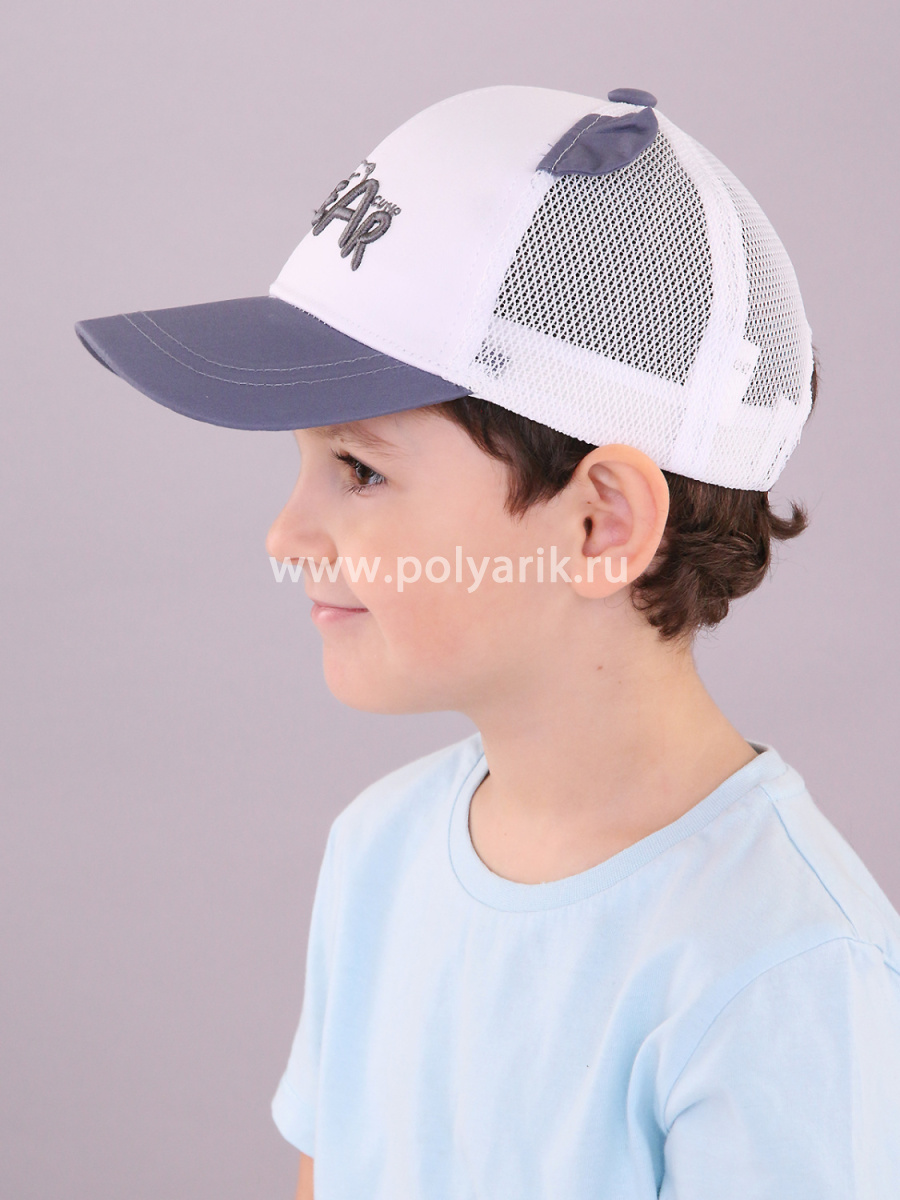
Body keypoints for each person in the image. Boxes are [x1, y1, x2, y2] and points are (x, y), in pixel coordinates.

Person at [75, 85, 900, 1199]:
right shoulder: (380, 852)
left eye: (359, 469)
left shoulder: (782, 971)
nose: (285, 534)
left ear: (601, 522)